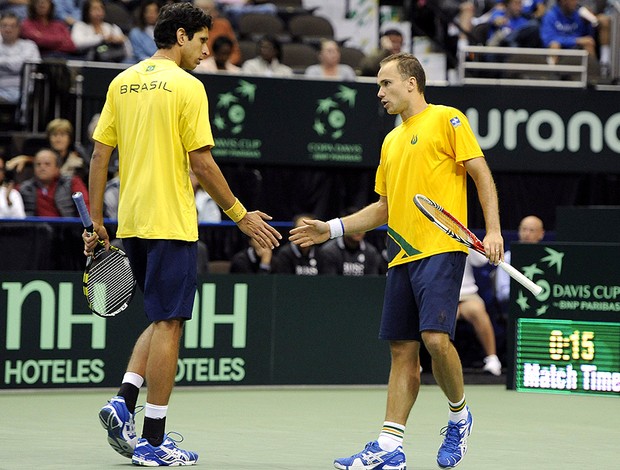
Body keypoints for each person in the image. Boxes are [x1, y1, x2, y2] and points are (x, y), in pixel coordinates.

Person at [81, 3, 280, 466]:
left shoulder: (121, 81)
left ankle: (123, 399)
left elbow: (97, 158)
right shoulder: (189, 87)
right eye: (203, 41)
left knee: (160, 315)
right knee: (171, 323)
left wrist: (96, 222)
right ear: (182, 35)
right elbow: (203, 163)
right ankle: (152, 441)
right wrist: (240, 214)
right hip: (170, 220)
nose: (207, 50)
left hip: (131, 222)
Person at [290, 52, 504, 470]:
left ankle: (460, 416)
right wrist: (331, 228)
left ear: (411, 83)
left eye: (386, 84)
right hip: (401, 254)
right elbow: (384, 208)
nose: (380, 93)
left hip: (442, 248)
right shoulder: (390, 141)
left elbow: (481, 174)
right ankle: (390, 448)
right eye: (377, 86)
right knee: (402, 350)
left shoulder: (448, 118)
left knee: (435, 339)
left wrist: (493, 230)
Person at [458, 249, 502, 376]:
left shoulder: (463, 235)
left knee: (477, 311)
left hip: (468, 293)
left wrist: (465, 238)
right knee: (440, 321)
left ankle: (492, 359)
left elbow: (481, 260)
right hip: (442, 296)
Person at [540, 0, 610, 77]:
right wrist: (575, 40)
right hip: (560, 48)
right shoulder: (550, 15)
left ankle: (595, 76)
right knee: (554, 45)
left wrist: (588, 24)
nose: (576, 2)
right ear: (563, 1)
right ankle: (551, 75)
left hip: (576, 47)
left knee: (588, 42)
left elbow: (586, 35)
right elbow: (548, 40)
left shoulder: (578, 15)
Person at [7, 118, 88, 182]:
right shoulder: (43, 155)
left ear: (69, 138)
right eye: (54, 135)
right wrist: (26, 159)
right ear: (49, 138)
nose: (58, 139)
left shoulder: (78, 159)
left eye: (62, 135)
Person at [18, 148, 88, 216]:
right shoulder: (25, 188)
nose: (42, 167)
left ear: (57, 168)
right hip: (34, 227)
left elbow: (85, 208)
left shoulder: (72, 183)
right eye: (38, 164)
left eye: (47, 164)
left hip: (66, 227)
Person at [318, 207, 383, 276]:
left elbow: (373, 282)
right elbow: (329, 282)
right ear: (344, 228)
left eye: (362, 226)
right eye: (355, 226)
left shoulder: (371, 252)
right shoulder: (329, 251)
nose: (359, 230)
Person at [495, 215, 544, 303]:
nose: (527, 234)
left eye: (532, 230)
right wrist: (524, 292)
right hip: (516, 305)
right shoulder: (507, 257)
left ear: (541, 234)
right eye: (524, 229)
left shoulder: (546, 259)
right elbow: (502, 293)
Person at [0, 12, 40, 105]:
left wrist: (3, 64)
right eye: (4, 26)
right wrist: (17, 65)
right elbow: (19, 65)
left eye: (12, 26)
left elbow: (29, 67)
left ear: (19, 28)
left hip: (23, 90)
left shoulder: (29, 46)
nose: (8, 29)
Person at [193, 0, 240, 66]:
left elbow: (235, 52)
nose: (205, 13)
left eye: (207, 9)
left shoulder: (223, 25)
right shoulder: (189, 27)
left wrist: (224, 65)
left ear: (215, 12)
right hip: (197, 67)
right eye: (200, 10)